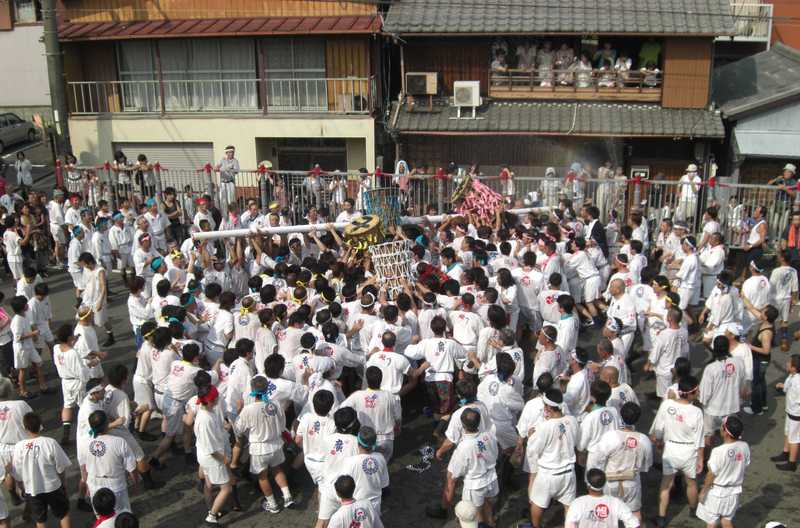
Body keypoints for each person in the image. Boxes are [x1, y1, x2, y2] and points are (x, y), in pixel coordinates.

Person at [649, 376, 705, 528]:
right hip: (689, 450)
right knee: (691, 483)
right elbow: (700, 439)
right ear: (691, 393)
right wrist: (700, 458)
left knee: (666, 484)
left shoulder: (667, 405)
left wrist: (659, 443)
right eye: (697, 390)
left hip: (671, 449)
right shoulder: (697, 412)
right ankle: (694, 510)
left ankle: (661, 517)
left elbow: (659, 430)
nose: (699, 392)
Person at [234, 374, 293, 513]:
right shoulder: (276, 404)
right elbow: (283, 423)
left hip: (259, 448)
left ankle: (272, 504)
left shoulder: (248, 409)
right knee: (277, 469)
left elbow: (238, 429)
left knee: (262, 477)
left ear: (252, 390)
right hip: (276, 444)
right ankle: (287, 496)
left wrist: (238, 412)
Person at [526, 389, 578, 528]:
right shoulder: (572, 420)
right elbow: (576, 441)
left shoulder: (544, 427)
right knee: (569, 506)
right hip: (568, 473)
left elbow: (534, 450)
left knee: (537, 504)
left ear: (548, 407)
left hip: (548, 474)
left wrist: (531, 437)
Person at [12, 412, 71, 528]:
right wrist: (63, 483)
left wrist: (21, 486)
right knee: (63, 514)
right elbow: (61, 467)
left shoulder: (19, 447)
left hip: (32, 489)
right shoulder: (50, 442)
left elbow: (17, 473)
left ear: (24, 427)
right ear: (40, 425)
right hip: (53, 486)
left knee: (40, 520)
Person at [696, 416, 750, 528]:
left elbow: (711, 474)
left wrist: (703, 491)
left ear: (726, 433)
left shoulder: (718, 451)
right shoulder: (745, 446)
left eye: (722, 427)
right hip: (734, 492)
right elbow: (745, 465)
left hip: (717, 493)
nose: (720, 428)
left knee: (711, 522)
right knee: (726, 521)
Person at [193, 384, 235, 525]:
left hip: (204, 454)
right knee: (226, 488)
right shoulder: (206, 419)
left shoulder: (206, 411)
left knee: (209, 484)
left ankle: (212, 509)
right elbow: (211, 449)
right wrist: (225, 459)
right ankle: (211, 517)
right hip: (213, 457)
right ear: (212, 399)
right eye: (217, 397)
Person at [82, 410, 138, 513]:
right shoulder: (119, 442)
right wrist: (136, 483)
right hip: (115, 486)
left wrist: (87, 487)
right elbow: (132, 468)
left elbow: (84, 467)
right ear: (107, 424)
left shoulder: (84, 442)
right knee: (122, 516)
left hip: (94, 484)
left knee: (101, 517)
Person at [564, 468, 640, 528]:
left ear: (587, 485)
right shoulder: (616, 503)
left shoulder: (577, 503)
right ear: (604, 484)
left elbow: (569, 525)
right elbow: (634, 524)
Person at [772, 354, 800, 472]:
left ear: (794, 367)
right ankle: (785, 452)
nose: (786, 363)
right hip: (790, 411)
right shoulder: (792, 376)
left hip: (796, 414)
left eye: (789, 363)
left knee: (794, 438)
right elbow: (788, 386)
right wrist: (782, 386)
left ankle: (792, 463)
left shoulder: (798, 382)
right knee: (788, 432)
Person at [216, 146, 239, 219]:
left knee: (231, 200)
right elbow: (216, 167)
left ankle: (232, 215)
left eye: (232, 152)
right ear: (227, 153)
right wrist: (220, 168)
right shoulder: (222, 160)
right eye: (230, 152)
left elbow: (237, 171)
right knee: (223, 200)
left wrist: (231, 169)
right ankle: (224, 216)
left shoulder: (235, 161)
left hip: (230, 182)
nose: (231, 154)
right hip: (223, 183)